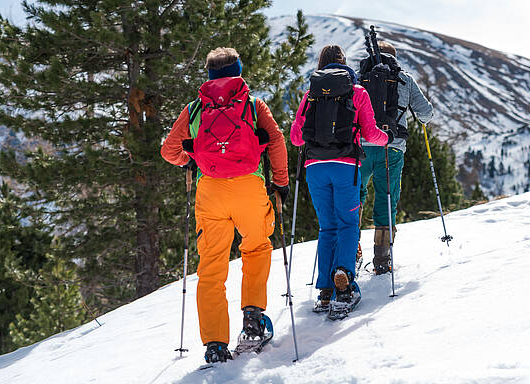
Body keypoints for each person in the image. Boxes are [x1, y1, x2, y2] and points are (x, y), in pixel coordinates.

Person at [161, 47, 289, 363]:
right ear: (239, 71)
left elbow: (169, 150)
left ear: (209, 76)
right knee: (257, 249)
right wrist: (281, 183)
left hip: (210, 190)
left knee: (211, 268)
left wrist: (189, 160)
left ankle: (216, 344)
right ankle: (253, 322)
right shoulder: (254, 105)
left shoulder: (193, 110)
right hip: (249, 186)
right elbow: (276, 141)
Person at [290, 44, 391, 316]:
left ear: (321, 64)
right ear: (344, 63)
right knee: (348, 224)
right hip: (347, 166)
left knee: (327, 228)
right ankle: (344, 279)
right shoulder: (357, 92)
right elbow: (371, 133)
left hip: (315, 167)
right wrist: (387, 138)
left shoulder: (310, 94)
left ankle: (324, 290)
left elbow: (297, 137)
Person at [359, 41, 434, 274]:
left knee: (353, 198)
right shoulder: (404, 79)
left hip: (360, 147)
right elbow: (426, 113)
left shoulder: (360, 78)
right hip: (391, 147)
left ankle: (351, 252)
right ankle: (382, 258)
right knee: (386, 198)